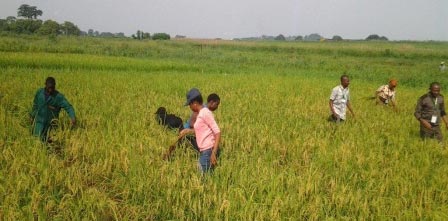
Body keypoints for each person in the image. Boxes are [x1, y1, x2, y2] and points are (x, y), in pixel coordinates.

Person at [30, 77, 76, 141]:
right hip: (39, 123)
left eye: (52, 88)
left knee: (51, 143)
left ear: (55, 86)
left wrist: (72, 117)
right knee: (37, 140)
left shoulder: (58, 97)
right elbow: (35, 105)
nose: (50, 90)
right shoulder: (39, 93)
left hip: (51, 125)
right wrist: (32, 116)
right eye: (49, 87)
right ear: (45, 85)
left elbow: (68, 107)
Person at [186, 91, 221, 173]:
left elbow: (217, 132)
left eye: (189, 105)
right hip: (204, 151)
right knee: (203, 175)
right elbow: (201, 130)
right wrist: (187, 131)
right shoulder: (200, 113)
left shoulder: (205, 113)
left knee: (203, 179)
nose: (190, 107)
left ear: (194, 103)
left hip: (208, 150)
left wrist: (213, 153)